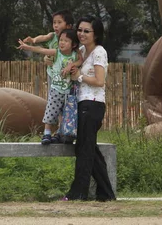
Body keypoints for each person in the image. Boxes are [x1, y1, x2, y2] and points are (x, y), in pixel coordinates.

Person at [63, 15, 115, 201]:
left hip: (93, 103)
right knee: (88, 148)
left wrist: (79, 76)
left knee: (84, 149)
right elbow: (72, 61)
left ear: (96, 34)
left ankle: (78, 193)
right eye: (80, 30)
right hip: (82, 103)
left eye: (86, 31)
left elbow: (100, 81)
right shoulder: (83, 51)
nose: (81, 34)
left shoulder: (99, 52)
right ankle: (106, 193)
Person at [18, 29, 81, 144]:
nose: (61, 43)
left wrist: (71, 65)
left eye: (66, 41)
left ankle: (63, 133)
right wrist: (28, 47)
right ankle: (47, 134)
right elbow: (41, 50)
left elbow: (80, 60)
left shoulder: (75, 55)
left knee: (67, 113)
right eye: (61, 40)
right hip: (56, 89)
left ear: (74, 44)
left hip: (69, 92)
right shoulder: (56, 52)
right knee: (51, 111)